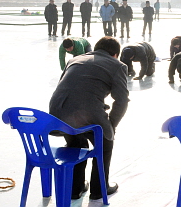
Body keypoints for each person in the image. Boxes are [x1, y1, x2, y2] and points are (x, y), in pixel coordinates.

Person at [49, 37, 129, 200]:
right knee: (105, 143)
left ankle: (75, 188)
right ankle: (100, 189)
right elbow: (121, 100)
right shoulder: (117, 65)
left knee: (76, 143)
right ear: (115, 54)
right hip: (87, 113)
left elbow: (69, 88)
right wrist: (111, 125)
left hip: (58, 113)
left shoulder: (75, 59)